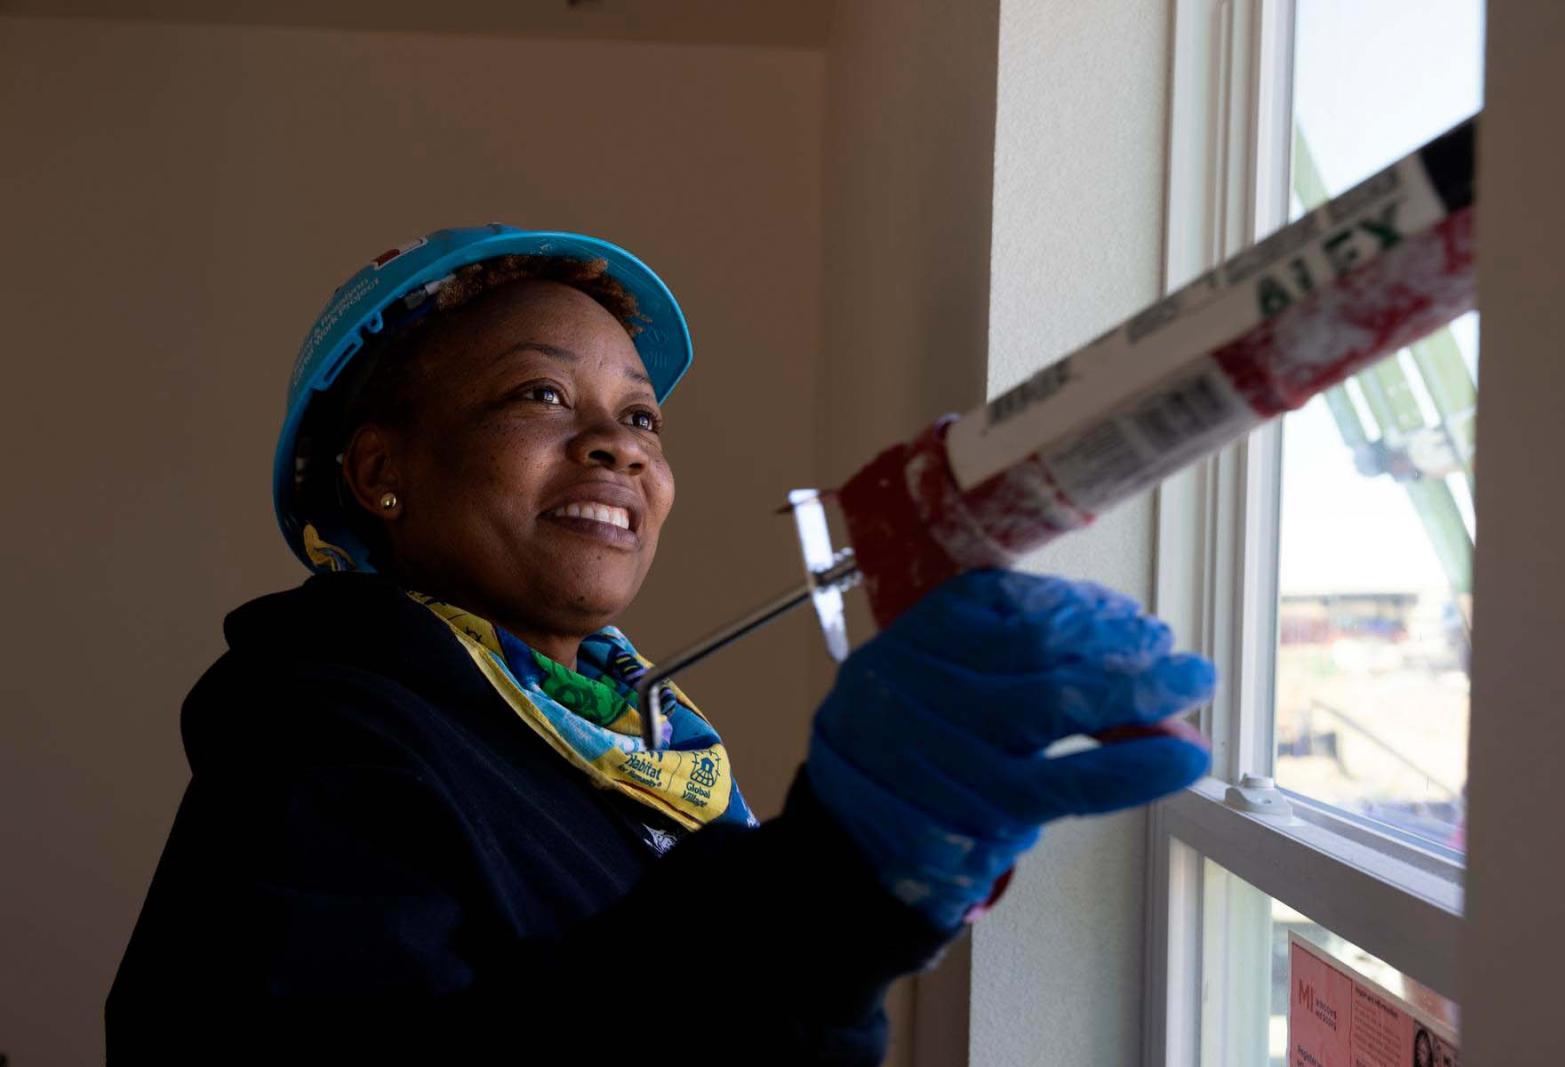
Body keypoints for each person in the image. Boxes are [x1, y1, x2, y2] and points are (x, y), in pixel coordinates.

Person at [105, 226, 1215, 1065]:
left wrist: (866, 907)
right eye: (538, 394)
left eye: (640, 417)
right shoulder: (314, 739)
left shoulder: (626, 737)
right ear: (381, 472)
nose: (616, 448)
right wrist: (826, 883)